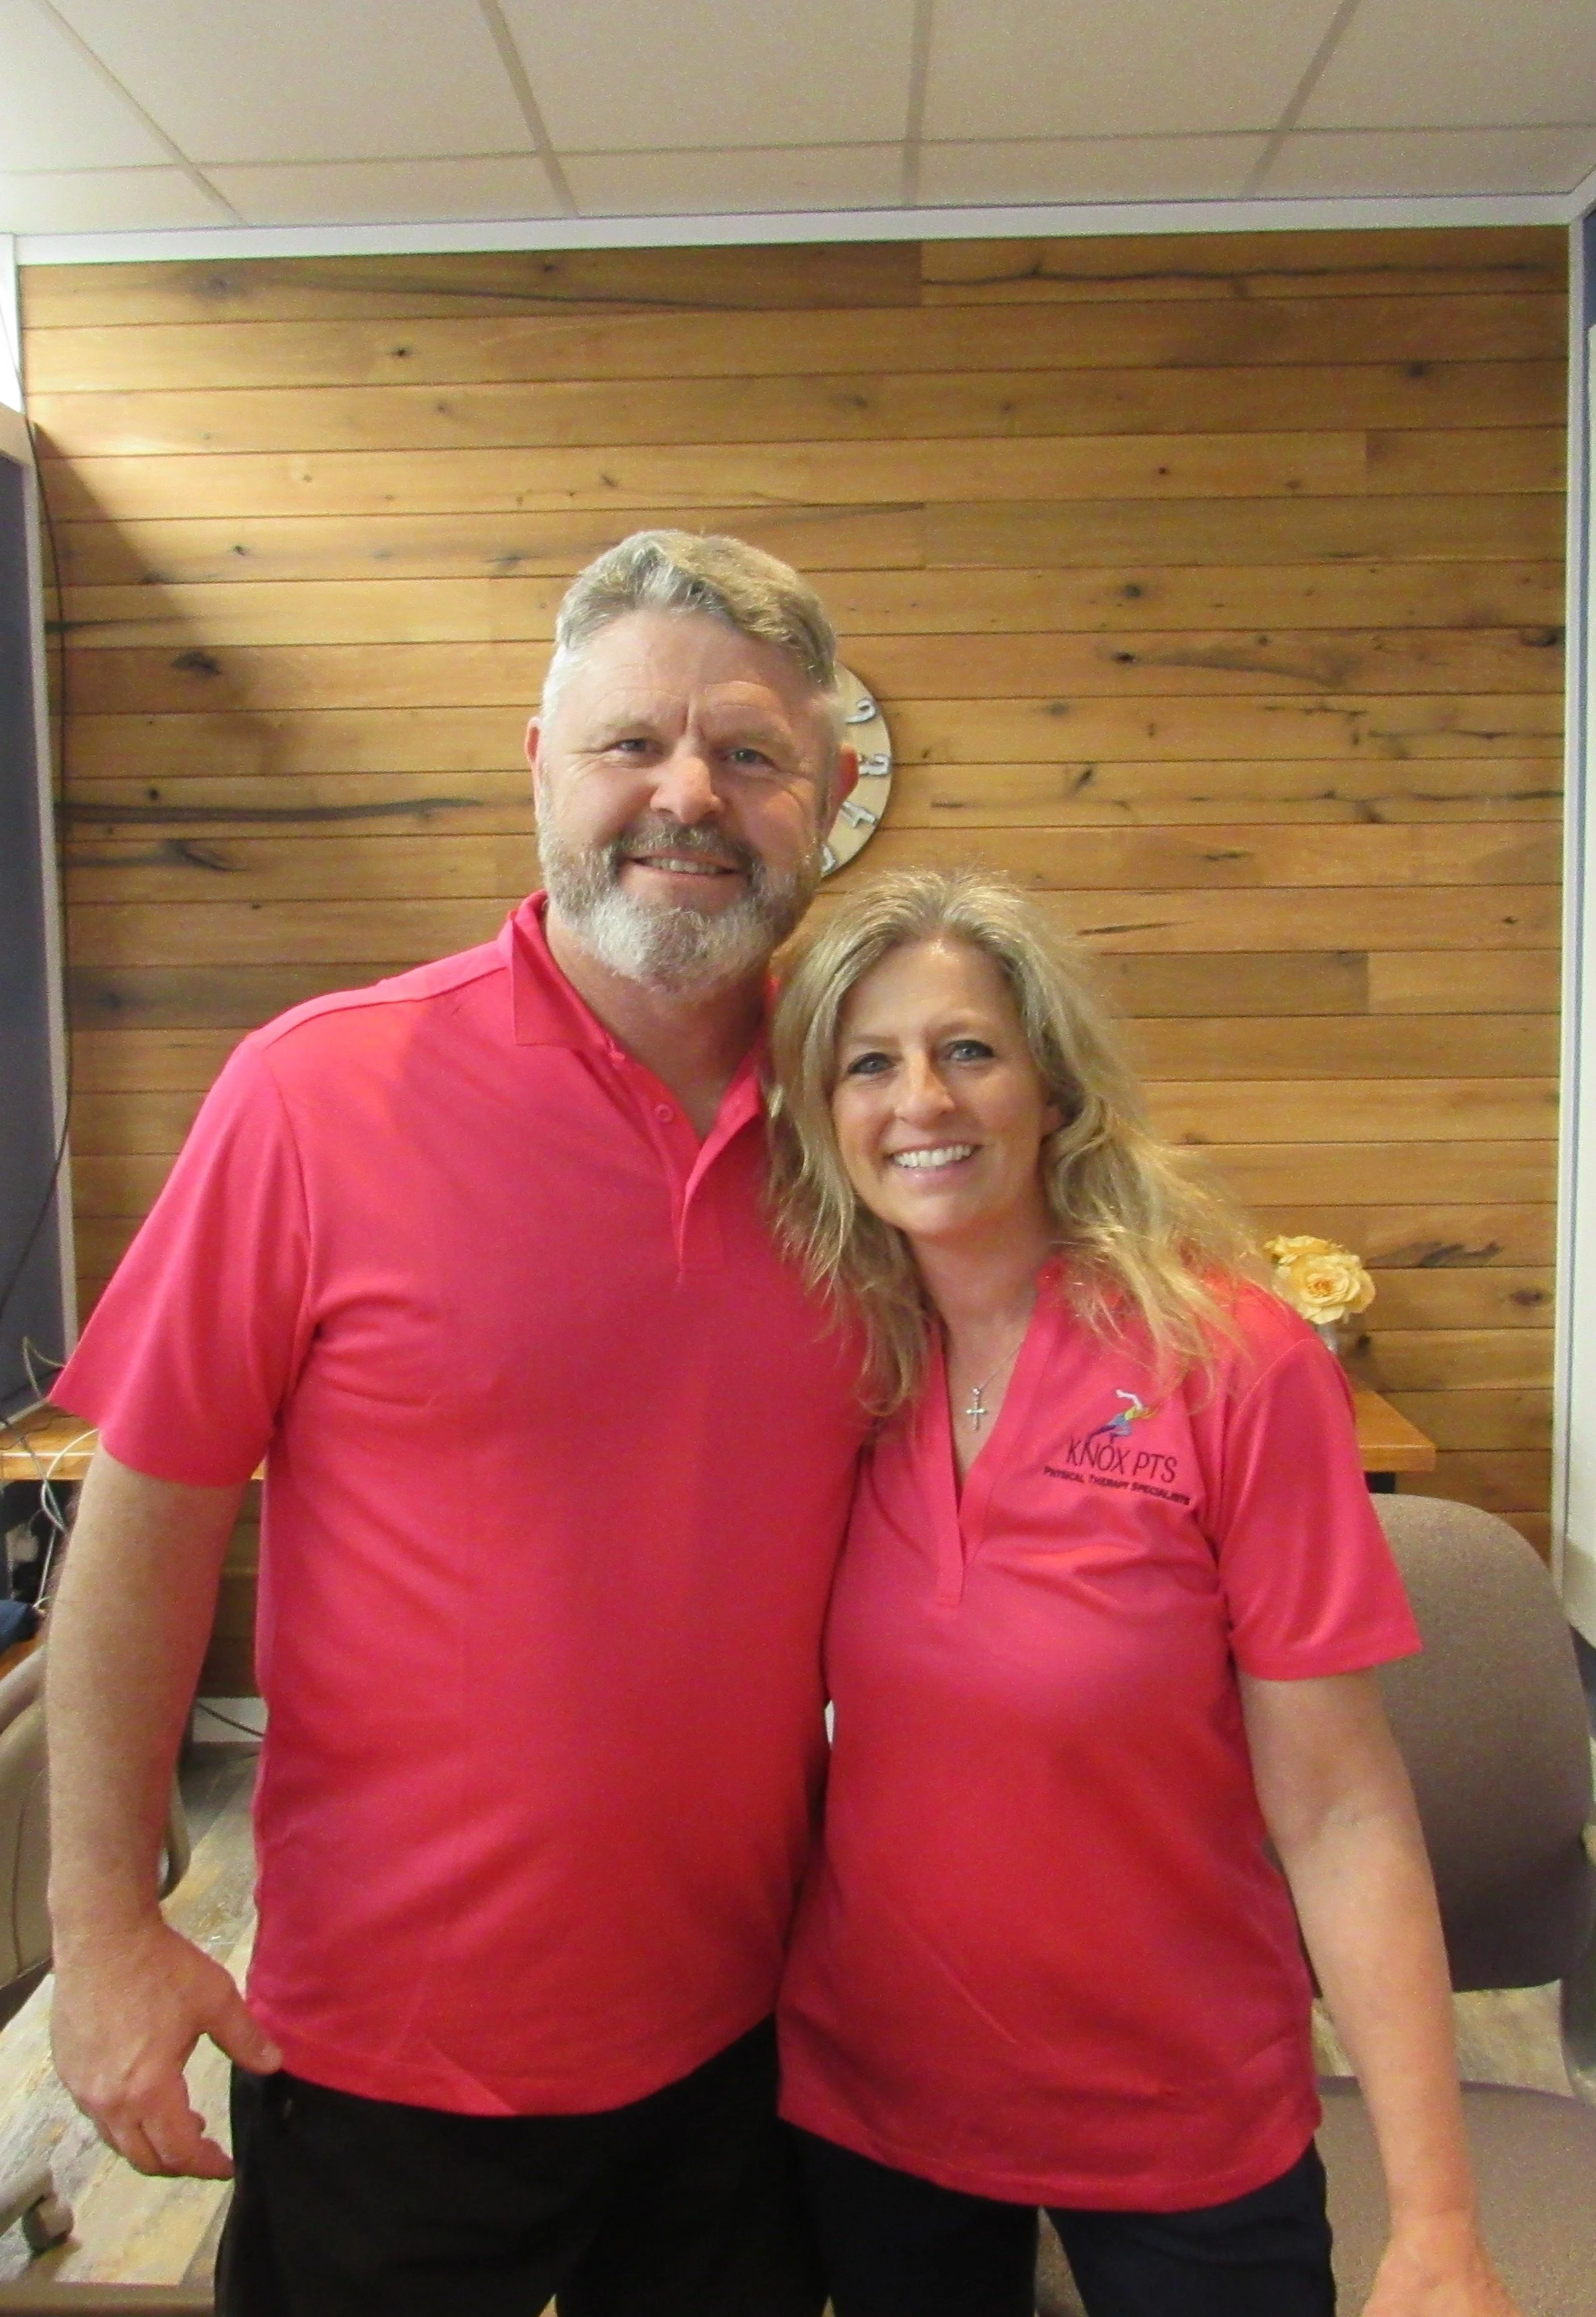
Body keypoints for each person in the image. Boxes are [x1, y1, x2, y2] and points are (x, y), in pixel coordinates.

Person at [44, 530, 868, 2317]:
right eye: (629, 743)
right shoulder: (316, 1093)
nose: (685, 795)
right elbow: (149, 1518)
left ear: (830, 793)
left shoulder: (874, 1127)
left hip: (751, 2039)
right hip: (385, 2060)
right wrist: (105, 1925)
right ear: (538, 768)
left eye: (748, 753)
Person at [765, 868, 1518, 2317]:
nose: (918, 1097)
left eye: (966, 1049)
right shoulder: (825, 1367)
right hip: (875, 2101)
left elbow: (1341, 1806)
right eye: (868, 1062)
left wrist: (1433, 2220)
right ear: (821, 1114)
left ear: (1049, 1086)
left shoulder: (1228, 1362)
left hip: (1179, 2114)